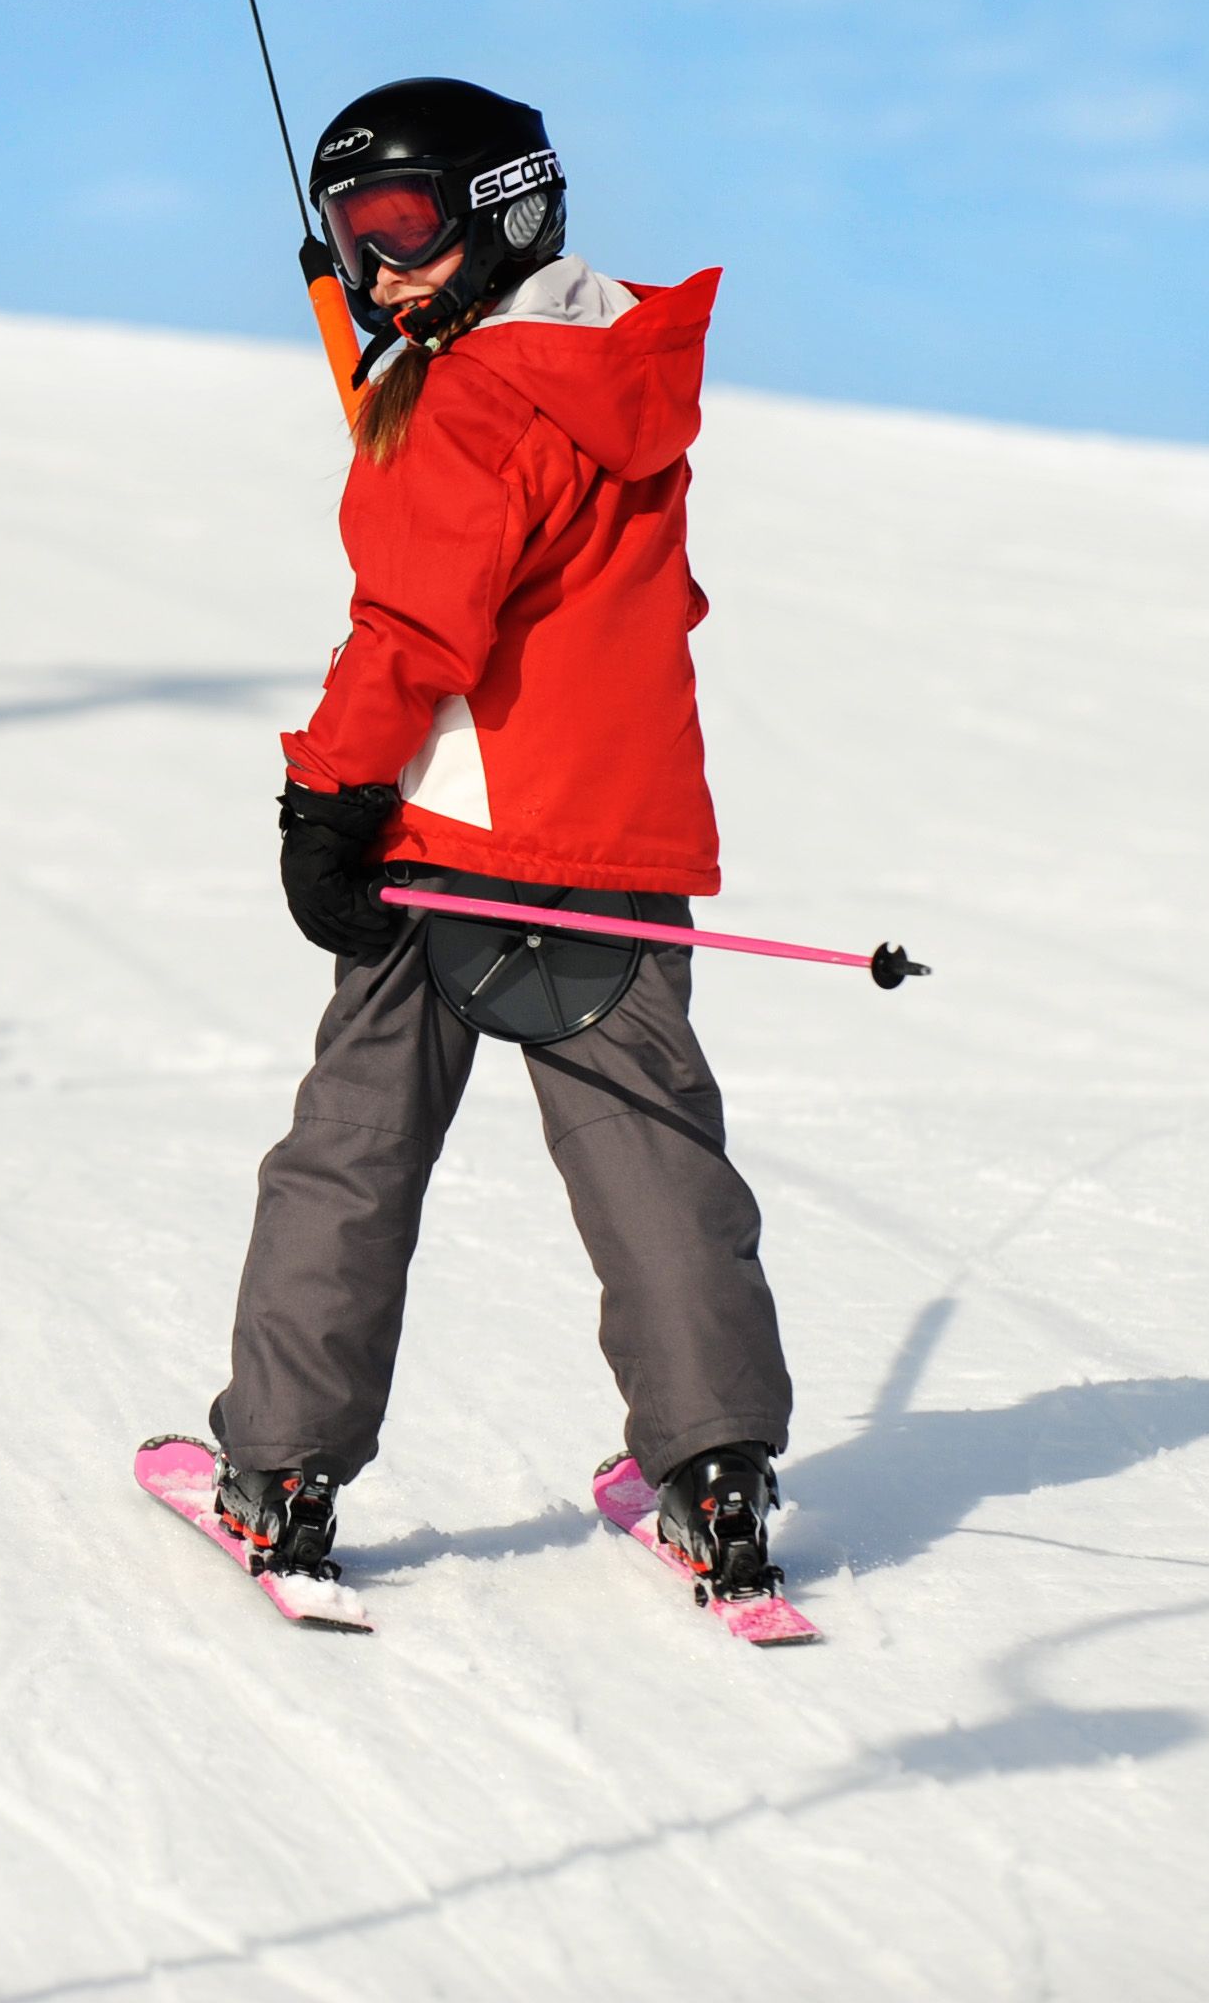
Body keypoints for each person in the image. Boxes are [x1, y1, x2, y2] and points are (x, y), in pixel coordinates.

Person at [199, 78, 798, 1614]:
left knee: (355, 1147)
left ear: (505, 202)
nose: (378, 263)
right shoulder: (619, 367)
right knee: (650, 1146)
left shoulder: (465, 399)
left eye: (402, 222)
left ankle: (279, 1476)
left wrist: (326, 802)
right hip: (612, 833)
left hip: (455, 837)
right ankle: (713, 1479)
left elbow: (411, 630)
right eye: (349, 236)